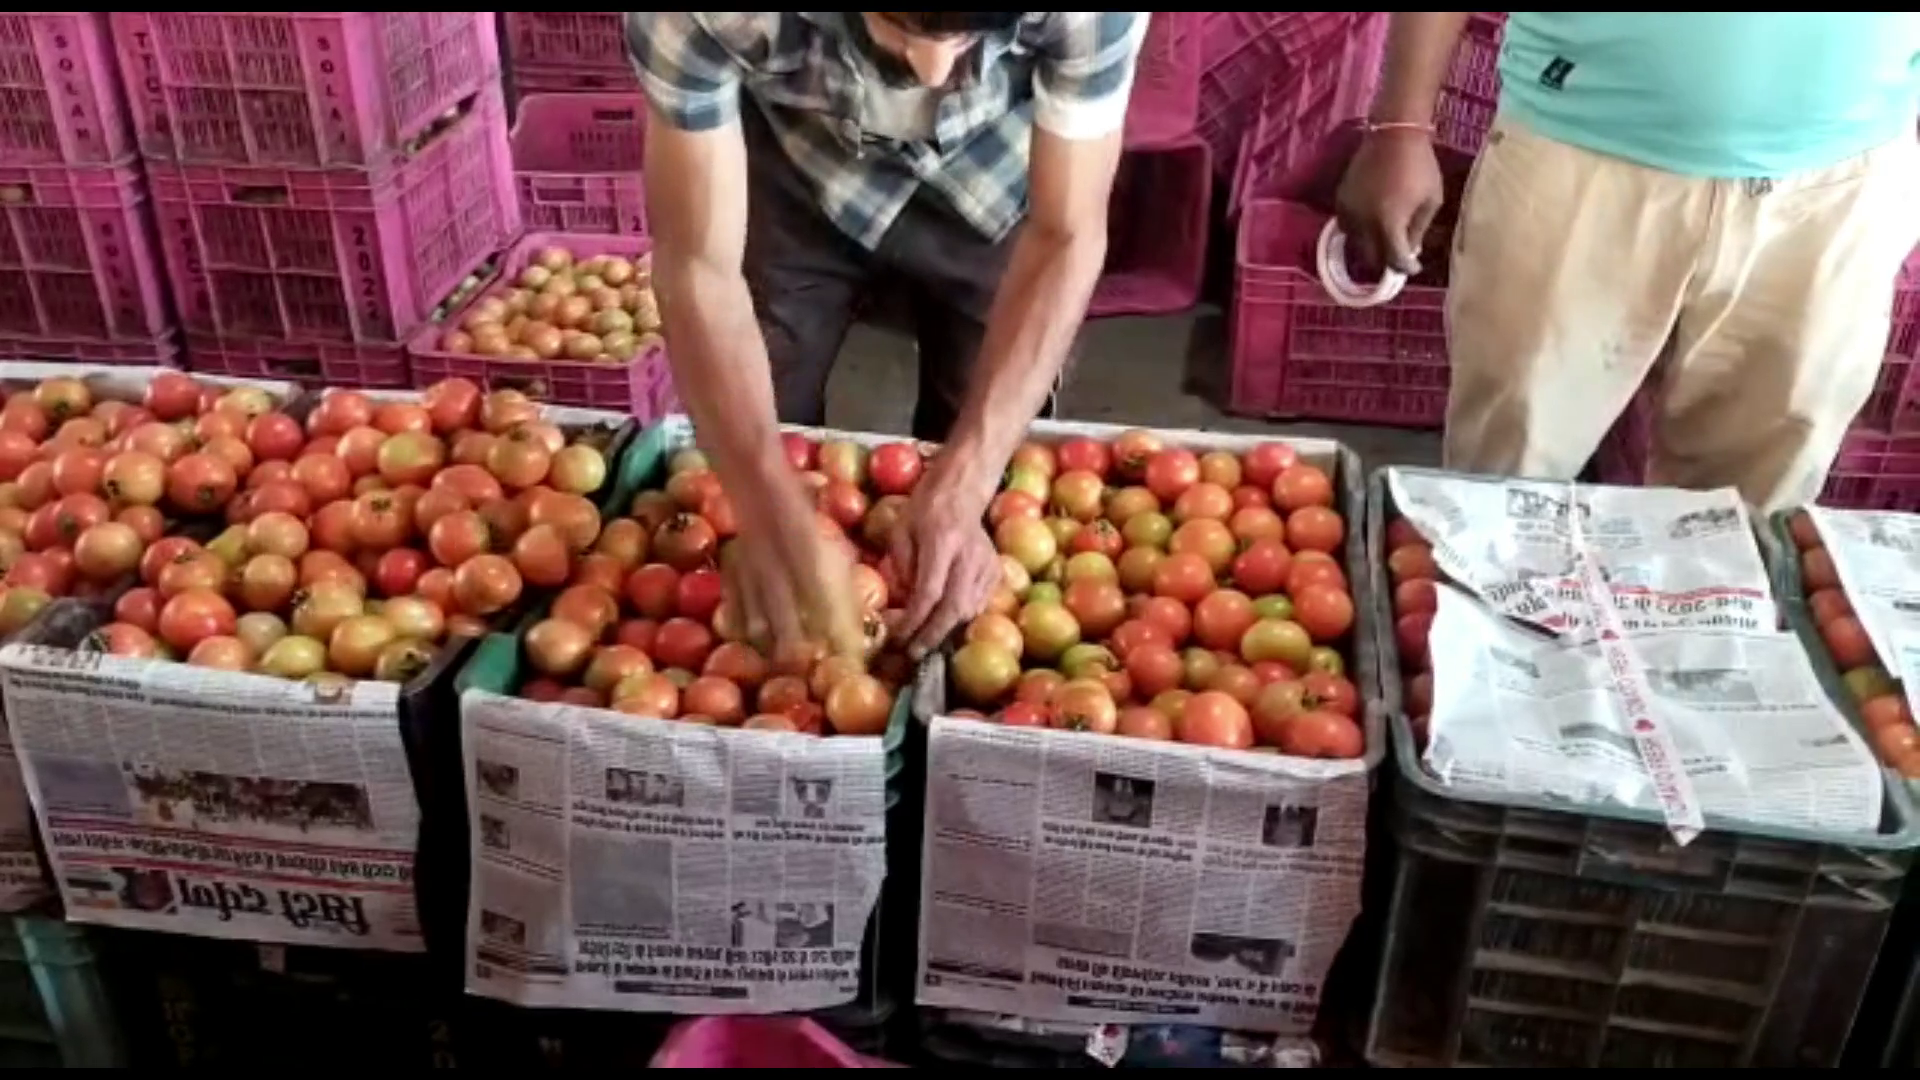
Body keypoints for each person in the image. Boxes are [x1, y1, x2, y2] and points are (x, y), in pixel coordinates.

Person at [629, 13, 1148, 659]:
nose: (932, 74)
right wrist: (762, 506)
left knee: (979, 428)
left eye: (966, 38)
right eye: (895, 25)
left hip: (997, 171)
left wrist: (967, 481)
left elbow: (1066, 234)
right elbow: (699, 263)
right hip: (799, 158)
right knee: (769, 386)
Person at [1338, 14, 1920, 513]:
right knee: (1508, 476)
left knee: (1755, 505)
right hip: (1577, 154)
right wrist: (1400, 130)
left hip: (1840, 183)